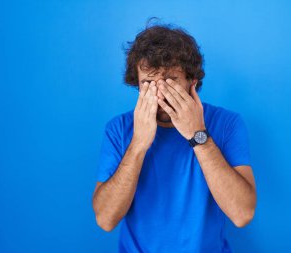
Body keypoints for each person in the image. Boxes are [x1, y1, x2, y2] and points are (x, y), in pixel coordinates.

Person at [92, 22, 257, 253]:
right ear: (137, 86)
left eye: (169, 82)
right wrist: (138, 144)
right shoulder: (118, 129)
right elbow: (105, 219)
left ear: (192, 82)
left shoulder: (227, 124)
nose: (159, 95)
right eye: (148, 84)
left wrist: (197, 135)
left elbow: (242, 214)